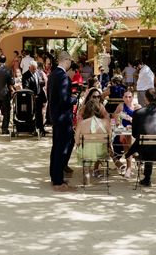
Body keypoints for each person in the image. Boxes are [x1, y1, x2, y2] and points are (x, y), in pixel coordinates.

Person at [126, 88, 156, 187]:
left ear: (145, 99)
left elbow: (134, 134)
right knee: (151, 142)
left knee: (145, 143)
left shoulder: (138, 113)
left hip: (144, 152)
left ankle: (147, 178)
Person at [48, 51, 78, 192]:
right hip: (63, 117)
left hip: (55, 116)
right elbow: (65, 100)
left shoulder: (53, 75)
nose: (71, 63)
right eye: (70, 61)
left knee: (56, 148)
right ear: (66, 60)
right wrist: (75, 99)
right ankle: (58, 181)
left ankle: (55, 176)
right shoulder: (63, 77)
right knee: (62, 149)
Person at [75, 98, 112, 185]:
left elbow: (77, 141)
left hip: (86, 153)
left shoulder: (81, 123)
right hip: (101, 153)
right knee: (97, 148)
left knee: (87, 151)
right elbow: (110, 139)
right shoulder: (106, 122)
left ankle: (87, 176)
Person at [111, 90, 140, 178]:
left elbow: (140, 123)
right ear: (123, 98)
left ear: (133, 98)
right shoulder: (121, 106)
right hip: (121, 131)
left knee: (127, 140)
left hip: (133, 132)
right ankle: (129, 166)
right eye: (126, 97)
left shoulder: (137, 107)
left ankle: (129, 167)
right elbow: (114, 118)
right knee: (125, 139)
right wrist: (119, 116)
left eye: (130, 97)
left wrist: (132, 120)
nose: (128, 99)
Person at [23, 61, 46, 135]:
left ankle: (41, 129)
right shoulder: (25, 75)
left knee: (39, 114)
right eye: (33, 69)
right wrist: (32, 95)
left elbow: (41, 82)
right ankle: (32, 129)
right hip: (31, 98)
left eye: (35, 69)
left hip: (39, 96)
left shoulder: (38, 73)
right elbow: (26, 87)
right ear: (29, 67)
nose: (34, 70)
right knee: (32, 114)